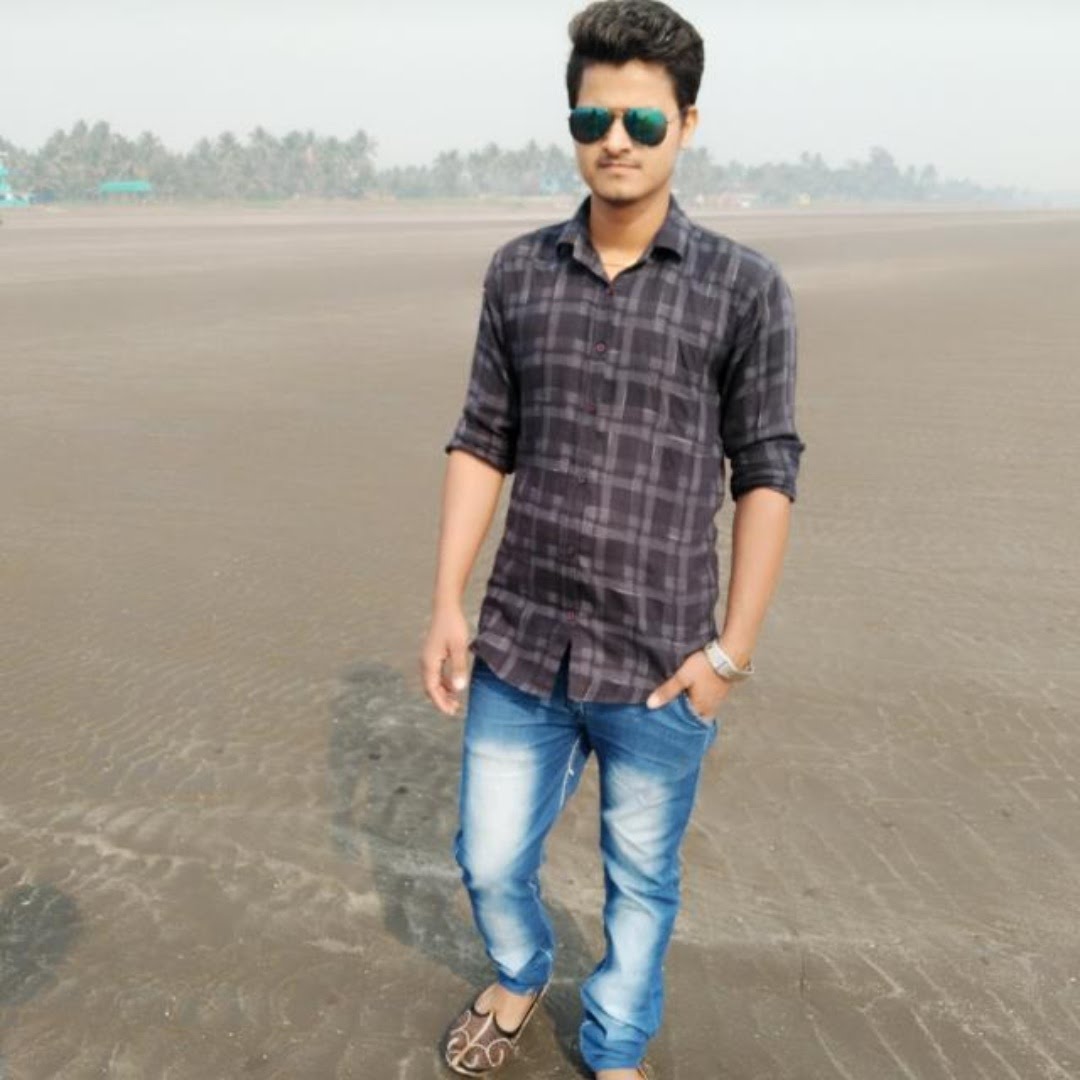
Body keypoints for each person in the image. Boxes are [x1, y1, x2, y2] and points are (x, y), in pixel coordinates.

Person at [420, 1, 806, 1075]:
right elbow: (483, 439)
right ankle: (519, 970)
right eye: (595, 118)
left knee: (640, 879)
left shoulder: (744, 289)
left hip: (662, 659)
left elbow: (767, 471)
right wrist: (447, 602)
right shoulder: (518, 273)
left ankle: (617, 1047)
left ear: (687, 124)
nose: (617, 141)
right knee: (488, 855)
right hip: (522, 642)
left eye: (643, 120)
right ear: (573, 124)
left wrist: (730, 654)